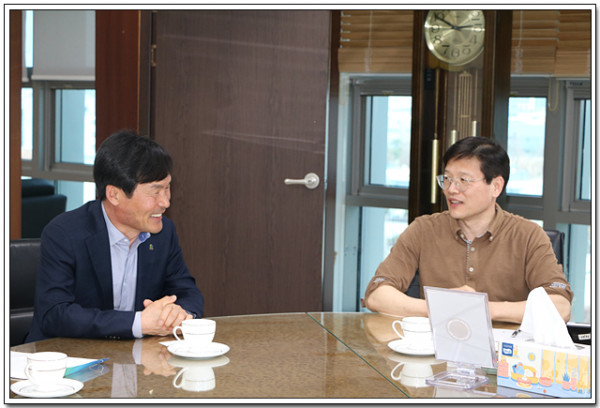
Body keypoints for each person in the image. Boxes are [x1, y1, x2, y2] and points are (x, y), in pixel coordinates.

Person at [362, 136, 572, 324]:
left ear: (496, 187)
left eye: (463, 180)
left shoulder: (528, 236)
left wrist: (484, 309)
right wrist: (441, 307)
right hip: (436, 350)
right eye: (447, 179)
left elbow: (561, 307)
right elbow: (377, 295)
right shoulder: (423, 229)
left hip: (507, 352)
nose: (451, 189)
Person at [27, 130, 204, 342]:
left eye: (167, 188)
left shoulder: (164, 233)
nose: (165, 202)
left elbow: (187, 292)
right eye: (155, 192)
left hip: (134, 356)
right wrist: (138, 323)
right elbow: (55, 314)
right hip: (65, 355)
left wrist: (181, 314)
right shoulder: (64, 233)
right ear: (114, 195)